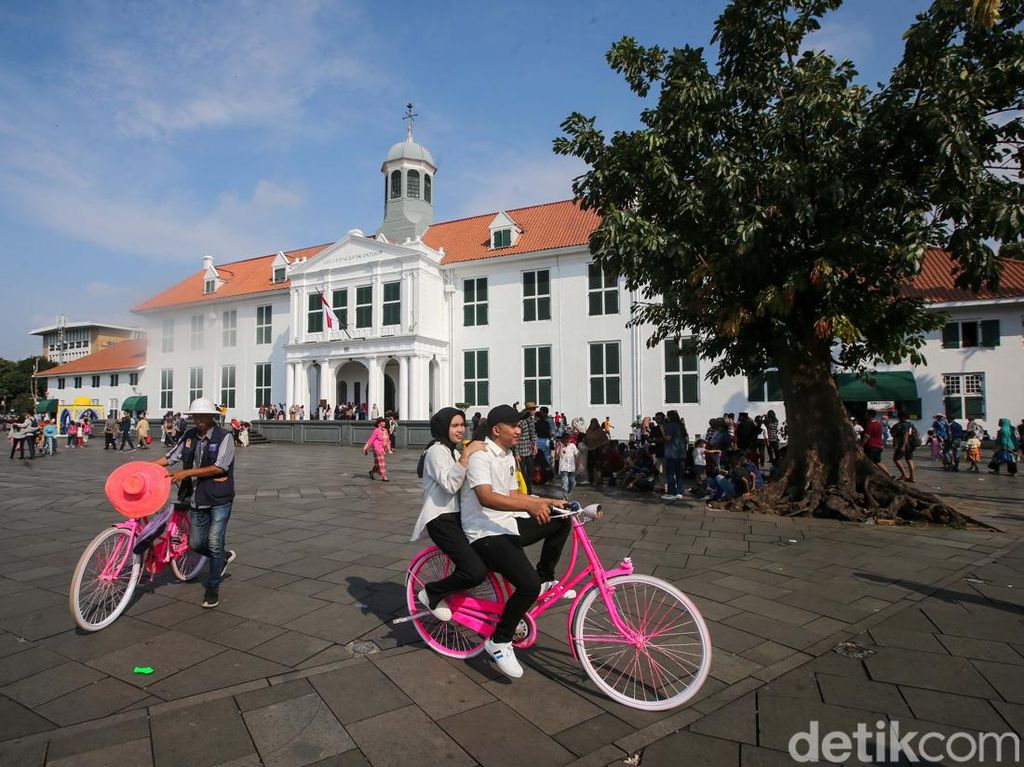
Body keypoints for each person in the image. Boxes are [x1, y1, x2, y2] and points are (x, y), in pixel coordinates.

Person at [461, 404, 572, 679]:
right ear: (497, 430)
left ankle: (546, 575)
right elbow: (486, 497)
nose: (519, 430)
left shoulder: (508, 455)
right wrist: (532, 507)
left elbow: (513, 494)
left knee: (561, 520)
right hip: (484, 532)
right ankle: (499, 640)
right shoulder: (480, 456)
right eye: (515, 426)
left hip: (506, 524)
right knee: (527, 586)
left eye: (520, 425)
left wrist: (548, 502)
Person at [153, 398, 238, 609]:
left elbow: (220, 467)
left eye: (202, 416)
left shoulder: (224, 437)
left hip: (219, 497)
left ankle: (212, 587)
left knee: (214, 542)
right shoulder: (189, 436)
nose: (198, 420)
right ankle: (221, 558)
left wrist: (186, 473)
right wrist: (144, 468)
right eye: (195, 416)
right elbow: (170, 457)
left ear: (212, 417)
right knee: (195, 544)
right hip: (196, 498)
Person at [410, 408, 487, 620]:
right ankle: (431, 592)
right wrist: (467, 454)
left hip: (459, 516)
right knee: (474, 571)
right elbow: (450, 485)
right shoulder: (436, 451)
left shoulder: (452, 450)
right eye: (455, 425)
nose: (461, 429)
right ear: (443, 427)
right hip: (441, 519)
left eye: (462, 424)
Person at [661, 410, 686, 500]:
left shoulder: (671, 425)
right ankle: (680, 492)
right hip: (680, 453)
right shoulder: (681, 426)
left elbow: (668, 438)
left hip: (672, 453)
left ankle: (672, 492)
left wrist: (662, 430)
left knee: (671, 473)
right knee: (679, 474)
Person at [515, 403, 538, 494]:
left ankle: (529, 490)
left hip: (528, 449)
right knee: (523, 472)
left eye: (534, 409)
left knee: (531, 470)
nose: (533, 411)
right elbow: (516, 437)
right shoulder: (521, 421)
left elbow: (532, 433)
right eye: (532, 409)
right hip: (520, 449)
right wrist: (516, 453)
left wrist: (534, 444)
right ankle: (525, 491)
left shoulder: (531, 420)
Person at [861, 410, 892, 476]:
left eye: (866, 415)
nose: (865, 416)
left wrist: (861, 445)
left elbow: (866, 437)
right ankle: (888, 474)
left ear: (869, 415)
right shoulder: (878, 424)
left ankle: (874, 475)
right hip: (878, 445)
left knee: (869, 462)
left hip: (871, 446)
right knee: (877, 462)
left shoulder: (869, 425)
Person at [891, 411, 918, 482]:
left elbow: (905, 435)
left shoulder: (903, 425)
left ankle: (904, 474)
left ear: (901, 417)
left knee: (896, 459)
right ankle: (912, 477)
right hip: (911, 444)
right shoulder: (910, 424)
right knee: (909, 459)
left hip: (904, 444)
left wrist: (903, 446)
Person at [583, 418, 609, 487]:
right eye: (592, 423)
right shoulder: (588, 431)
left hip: (598, 452)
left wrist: (603, 449)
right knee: (590, 466)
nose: (593, 425)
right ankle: (591, 479)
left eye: (594, 423)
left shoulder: (600, 432)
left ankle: (598, 480)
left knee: (597, 466)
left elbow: (605, 441)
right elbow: (586, 440)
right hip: (590, 451)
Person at [557, 432, 579, 500]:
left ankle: (567, 492)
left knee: (572, 483)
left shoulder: (572, 446)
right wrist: (560, 447)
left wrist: (578, 462)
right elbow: (557, 457)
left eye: (568, 441)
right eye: (565, 441)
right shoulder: (560, 446)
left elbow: (577, 454)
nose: (566, 443)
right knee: (565, 484)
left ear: (570, 440)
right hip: (564, 468)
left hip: (571, 468)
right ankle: (565, 497)